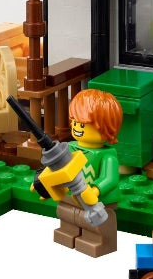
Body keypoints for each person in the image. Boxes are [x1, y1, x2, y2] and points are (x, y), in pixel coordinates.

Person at [49, 88, 123, 258]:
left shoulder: (106, 155)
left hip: (94, 201)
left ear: (105, 127)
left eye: (82, 124)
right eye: (74, 122)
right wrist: (44, 182)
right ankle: (68, 231)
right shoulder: (70, 148)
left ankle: (98, 240)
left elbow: (110, 178)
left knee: (95, 221)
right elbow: (57, 168)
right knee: (66, 212)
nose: (76, 127)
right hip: (70, 196)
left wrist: (95, 190)